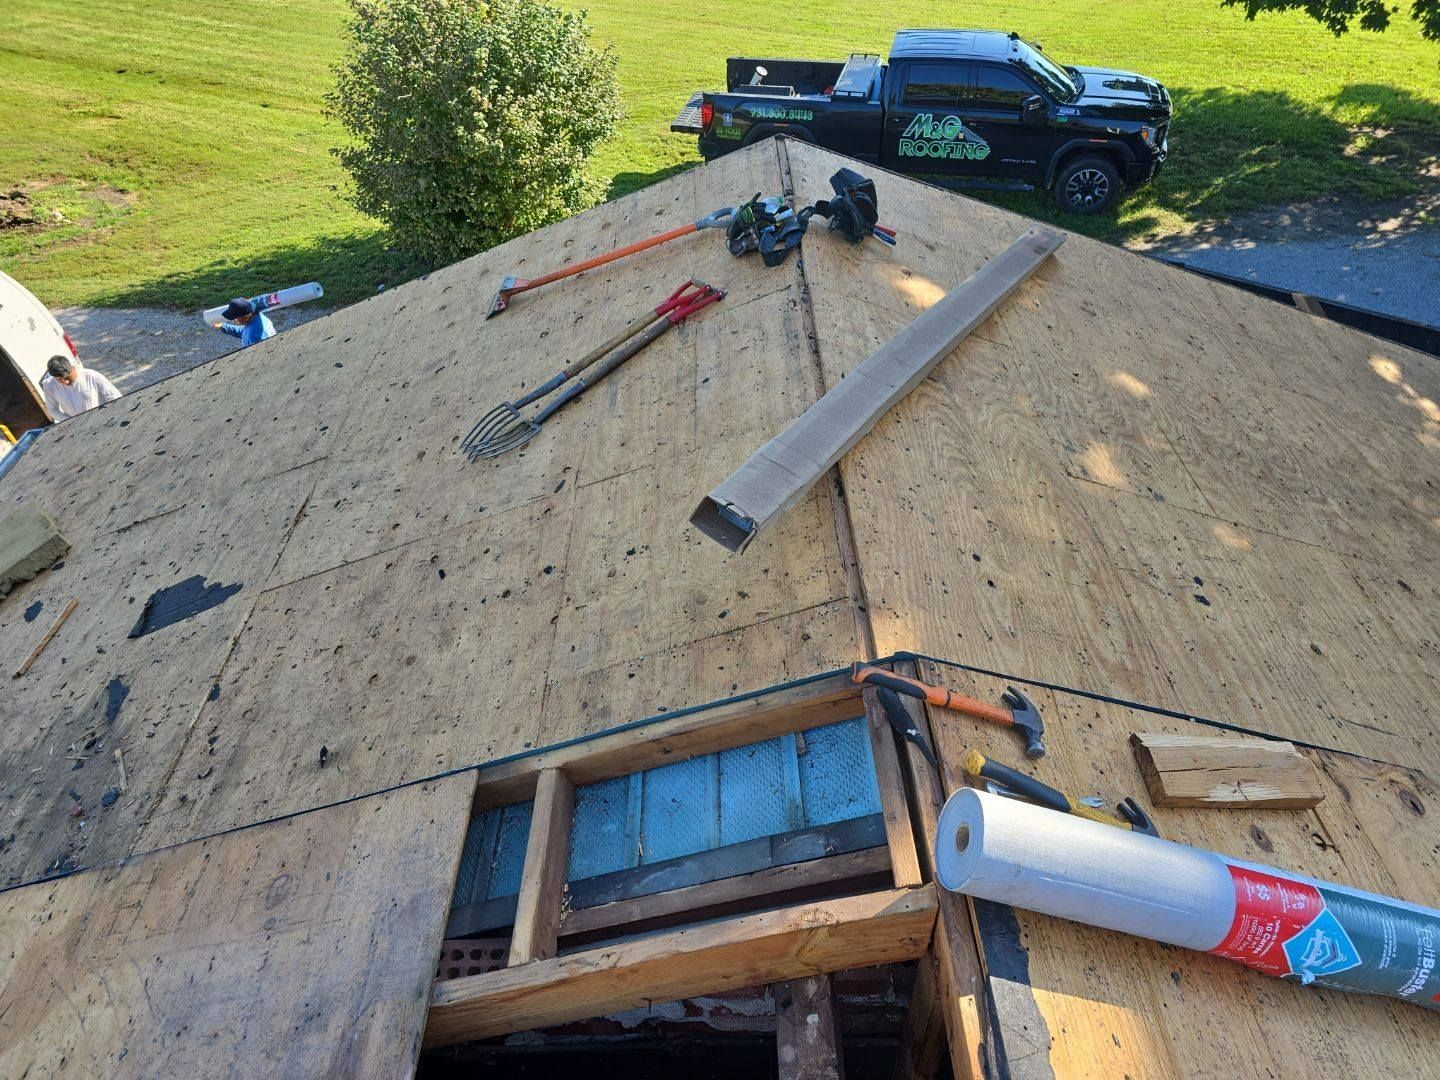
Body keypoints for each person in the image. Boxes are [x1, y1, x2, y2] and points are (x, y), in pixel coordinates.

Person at [39, 355, 121, 420]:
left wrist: (109, 414)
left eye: (68, 377)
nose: (66, 382)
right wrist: (69, 421)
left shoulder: (92, 376)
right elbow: (52, 409)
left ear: (73, 368)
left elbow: (115, 397)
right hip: (78, 427)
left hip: (102, 419)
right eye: (60, 379)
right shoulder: (49, 385)